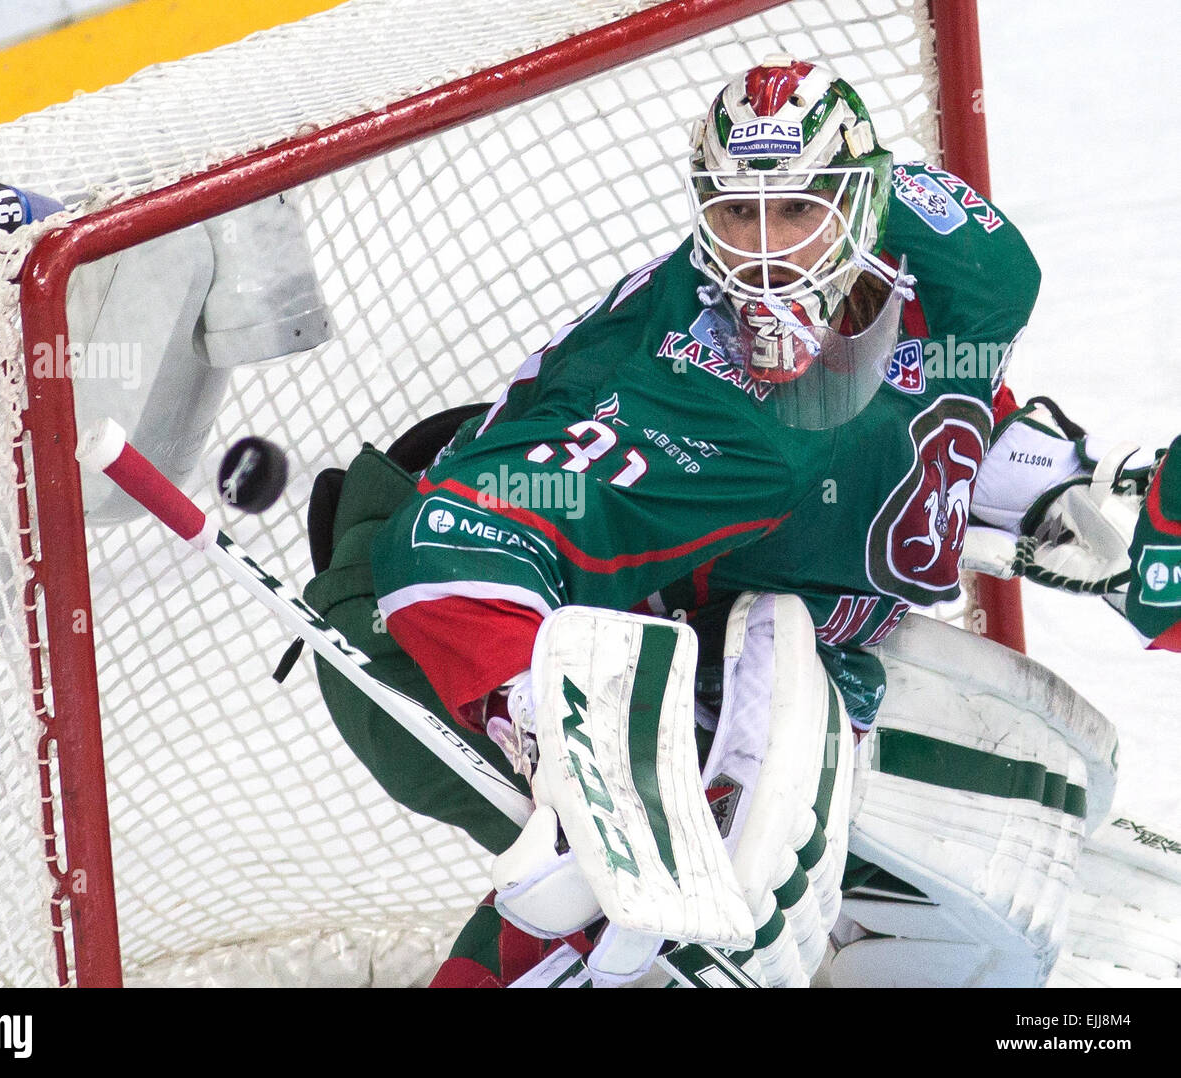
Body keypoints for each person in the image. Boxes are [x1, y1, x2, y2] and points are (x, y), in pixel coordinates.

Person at [302, 54, 1181, 987]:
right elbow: (456, 551)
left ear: (863, 205)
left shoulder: (958, 268)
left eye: (797, 210)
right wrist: (559, 732)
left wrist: (1074, 506)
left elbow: (922, 403)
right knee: (656, 895)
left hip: (702, 614)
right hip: (425, 632)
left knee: (1042, 796)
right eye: (736, 214)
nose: (765, 250)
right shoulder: (703, 397)